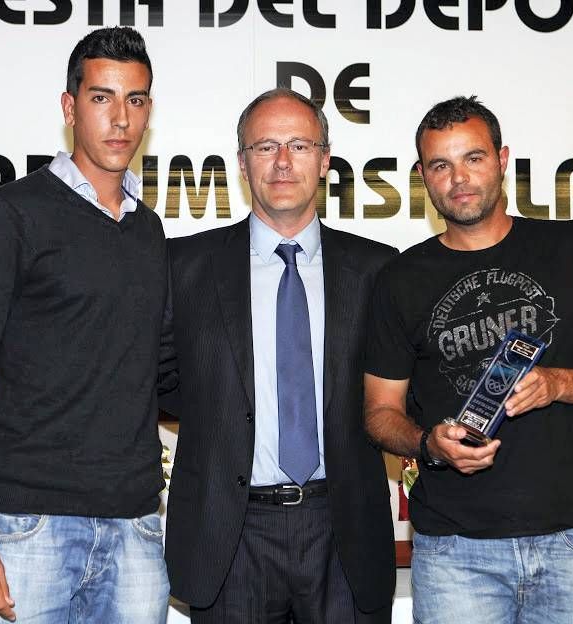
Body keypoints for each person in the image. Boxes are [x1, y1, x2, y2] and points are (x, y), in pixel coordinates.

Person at [363, 95, 573, 624]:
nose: (459, 178)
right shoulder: (399, 279)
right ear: (422, 177)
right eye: (440, 165)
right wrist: (429, 444)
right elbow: (380, 413)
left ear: (502, 159)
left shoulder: (572, 247)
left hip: (568, 542)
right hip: (453, 552)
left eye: (473, 157)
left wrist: (558, 383)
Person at [0, 27, 174, 623]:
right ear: (69, 106)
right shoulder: (10, 216)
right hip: (23, 532)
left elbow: (157, 373)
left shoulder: (148, 231)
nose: (120, 119)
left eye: (135, 100)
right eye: (101, 98)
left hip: (136, 531)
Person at [161, 88, 396, 623]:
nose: (284, 162)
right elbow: (160, 376)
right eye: (266, 147)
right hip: (229, 535)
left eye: (299, 145)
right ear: (242, 163)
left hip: (344, 533)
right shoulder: (186, 266)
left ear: (326, 160)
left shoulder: (379, 271)